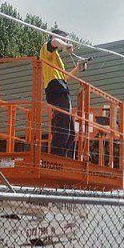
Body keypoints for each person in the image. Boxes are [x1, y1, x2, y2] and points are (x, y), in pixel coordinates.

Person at [39, 29, 84, 158]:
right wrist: (65, 45)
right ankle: (56, 159)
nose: (66, 41)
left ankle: (63, 158)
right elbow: (54, 41)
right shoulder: (45, 49)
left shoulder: (57, 58)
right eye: (64, 38)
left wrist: (78, 68)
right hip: (55, 89)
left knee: (70, 132)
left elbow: (64, 77)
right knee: (62, 129)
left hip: (62, 89)